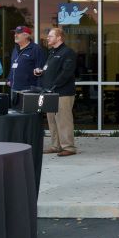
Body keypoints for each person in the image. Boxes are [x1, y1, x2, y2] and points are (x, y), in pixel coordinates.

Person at [36, 27, 78, 157]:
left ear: (59, 37)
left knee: (63, 120)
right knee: (52, 120)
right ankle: (56, 145)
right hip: (50, 93)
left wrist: (54, 85)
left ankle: (69, 147)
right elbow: (50, 70)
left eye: (50, 36)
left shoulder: (67, 52)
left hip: (63, 93)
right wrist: (41, 72)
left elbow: (66, 72)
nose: (48, 38)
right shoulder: (52, 53)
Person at [7, 26, 46, 102]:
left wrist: (38, 90)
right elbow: (13, 66)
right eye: (15, 33)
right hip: (14, 89)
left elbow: (41, 70)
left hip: (28, 90)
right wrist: (9, 79)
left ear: (26, 35)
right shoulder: (15, 49)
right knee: (15, 112)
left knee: (28, 113)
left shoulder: (36, 49)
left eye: (18, 33)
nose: (15, 35)